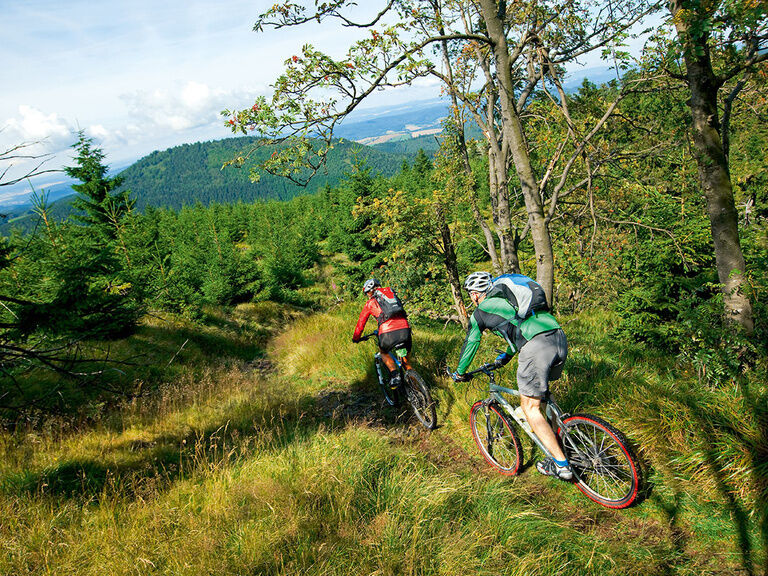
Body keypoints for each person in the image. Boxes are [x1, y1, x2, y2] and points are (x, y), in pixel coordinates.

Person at [452, 271, 572, 480]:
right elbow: (518, 328)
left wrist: (460, 373)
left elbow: (471, 342)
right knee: (544, 398)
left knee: (530, 407)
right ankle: (564, 445)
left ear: (474, 294)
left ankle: (562, 466)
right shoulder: (508, 301)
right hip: (557, 335)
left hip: (537, 345)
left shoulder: (481, 311)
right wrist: (506, 355)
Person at [352, 278, 412, 388]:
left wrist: (356, 338)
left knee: (383, 352)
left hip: (387, 333)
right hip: (405, 330)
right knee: (406, 364)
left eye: (367, 293)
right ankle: (417, 386)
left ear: (369, 291)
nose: (367, 296)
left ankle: (394, 375)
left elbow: (361, 322)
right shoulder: (391, 294)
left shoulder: (370, 303)